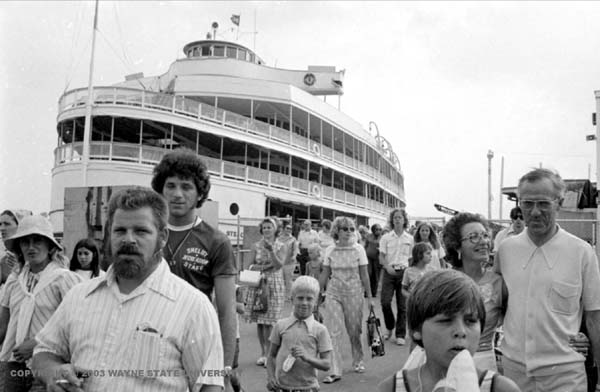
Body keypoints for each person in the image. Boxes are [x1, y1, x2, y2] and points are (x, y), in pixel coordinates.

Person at [32, 187, 224, 392]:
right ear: (109, 235)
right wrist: (54, 373)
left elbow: (209, 386)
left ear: (163, 237)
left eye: (141, 231)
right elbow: (44, 352)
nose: (128, 239)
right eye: (120, 230)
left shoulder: (192, 307)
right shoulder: (79, 297)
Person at [495, 168, 600, 392]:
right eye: (527, 203)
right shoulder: (505, 250)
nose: (534, 212)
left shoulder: (582, 252)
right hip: (514, 375)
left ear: (558, 203)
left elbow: (594, 317)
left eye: (543, 203)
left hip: (565, 376)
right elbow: (496, 303)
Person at [151, 148, 237, 384]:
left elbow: (227, 310)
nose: (177, 194)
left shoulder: (216, 241)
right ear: (160, 189)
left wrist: (224, 367)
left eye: (186, 186)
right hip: (147, 341)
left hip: (194, 343)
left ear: (200, 194)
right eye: (171, 185)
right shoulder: (144, 235)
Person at [378, 270, 519, 392]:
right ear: (417, 329)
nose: (460, 331)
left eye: (470, 321)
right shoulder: (391, 388)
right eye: (446, 321)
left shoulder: (501, 388)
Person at [0, 215, 82, 391]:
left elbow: (78, 326)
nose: (31, 247)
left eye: (37, 241)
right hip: (13, 366)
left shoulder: (64, 280)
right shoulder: (15, 281)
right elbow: (3, 326)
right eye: (25, 242)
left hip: (48, 367)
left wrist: (37, 343)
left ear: (50, 246)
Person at [442, 212, 505, 371]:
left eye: (485, 235)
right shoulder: (443, 282)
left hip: (485, 363)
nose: (483, 241)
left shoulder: (498, 282)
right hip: (447, 362)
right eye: (473, 237)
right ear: (457, 246)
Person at [318, 216, 375, 383]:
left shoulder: (359, 249)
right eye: (345, 229)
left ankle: (358, 360)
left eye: (351, 229)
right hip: (334, 292)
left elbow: (365, 274)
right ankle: (335, 369)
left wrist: (370, 297)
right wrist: (316, 294)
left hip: (354, 292)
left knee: (354, 330)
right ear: (337, 231)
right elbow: (325, 274)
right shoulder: (329, 249)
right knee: (333, 331)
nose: (349, 232)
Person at [266, 276, 332, 392]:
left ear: (316, 301)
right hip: (281, 387)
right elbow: (271, 356)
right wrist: (271, 377)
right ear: (292, 299)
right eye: (300, 298)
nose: (304, 303)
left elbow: (326, 364)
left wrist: (307, 358)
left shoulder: (320, 330)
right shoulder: (280, 325)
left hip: (308, 387)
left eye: (309, 299)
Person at [243, 217, 285, 367]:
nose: (267, 230)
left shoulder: (280, 245)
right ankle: (262, 353)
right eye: (265, 227)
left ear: (275, 230)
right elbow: (248, 266)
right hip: (257, 284)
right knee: (260, 322)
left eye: (269, 227)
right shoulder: (255, 246)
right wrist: (265, 267)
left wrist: (271, 251)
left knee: (270, 322)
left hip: (273, 284)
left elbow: (279, 265)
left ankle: (270, 354)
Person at [379, 208, 414, 346]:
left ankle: (400, 334)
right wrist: (387, 267)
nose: (397, 219)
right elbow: (381, 256)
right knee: (385, 302)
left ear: (404, 220)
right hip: (389, 271)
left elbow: (411, 258)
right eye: (395, 218)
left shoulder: (410, 239)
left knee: (402, 305)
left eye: (400, 217)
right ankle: (389, 326)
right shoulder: (386, 237)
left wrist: (409, 272)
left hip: (404, 272)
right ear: (392, 220)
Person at [0, 209, 32, 286]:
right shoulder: (4, 259)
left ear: (20, 226)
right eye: (0, 224)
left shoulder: (36, 255)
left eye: (7, 224)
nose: (2, 228)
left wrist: (21, 269)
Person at [277, 220, 298, 300]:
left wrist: (294, 256)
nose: (289, 230)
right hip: (280, 262)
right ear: (284, 229)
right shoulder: (279, 238)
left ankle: (288, 296)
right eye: (287, 228)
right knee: (280, 279)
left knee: (288, 279)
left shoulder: (293, 239)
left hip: (289, 262)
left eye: (290, 229)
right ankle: (281, 295)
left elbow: (295, 249)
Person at [364, 224, 383, 297]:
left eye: (380, 229)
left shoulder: (382, 238)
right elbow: (366, 245)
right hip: (368, 257)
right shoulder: (369, 236)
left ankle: (374, 292)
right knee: (369, 273)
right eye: (376, 229)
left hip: (377, 258)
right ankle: (367, 291)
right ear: (373, 230)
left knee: (375, 275)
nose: (378, 231)